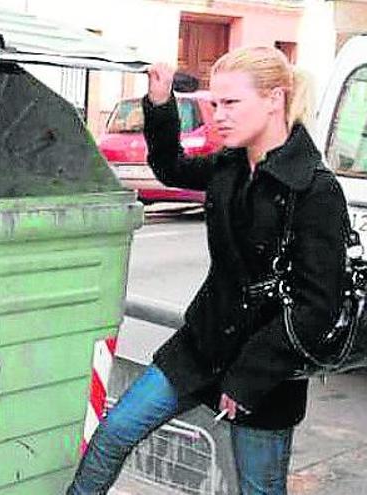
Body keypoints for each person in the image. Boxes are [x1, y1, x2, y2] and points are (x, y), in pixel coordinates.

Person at [67, 46, 349, 495]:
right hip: (200, 346)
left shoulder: (314, 189)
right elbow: (170, 166)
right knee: (114, 433)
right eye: (214, 103)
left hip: (265, 372)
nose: (219, 115)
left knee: (258, 488)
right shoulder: (230, 166)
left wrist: (249, 377)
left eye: (231, 103)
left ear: (275, 99)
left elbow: (317, 305)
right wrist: (160, 105)